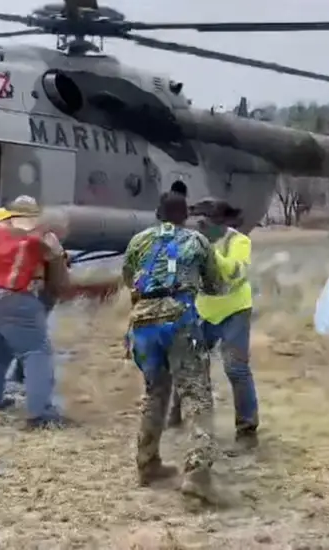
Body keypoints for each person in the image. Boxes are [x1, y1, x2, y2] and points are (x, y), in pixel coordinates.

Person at [123, 192, 228, 502]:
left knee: (155, 391)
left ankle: (147, 462)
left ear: (157, 213)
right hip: (180, 319)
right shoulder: (196, 241)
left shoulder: (139, 240)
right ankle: (197, 474)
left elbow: (129, 278)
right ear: (186, 215)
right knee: (196, 395)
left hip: (142, 322)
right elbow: (216, 285)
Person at [0, 196, 72, 429]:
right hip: (18, 300)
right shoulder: (44, 237)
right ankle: (40, 414)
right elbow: (59, 277)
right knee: (37, 353)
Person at [168, 199, 259, 449]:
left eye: (202, 223)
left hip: (235, 311)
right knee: (189, 363)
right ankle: (176, 415)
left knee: (236, 368)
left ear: (217, 223)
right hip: (203, 311)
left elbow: (232, 273)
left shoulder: (238, 242)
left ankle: (247, 429)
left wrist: (209, 249)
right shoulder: (190, 241)